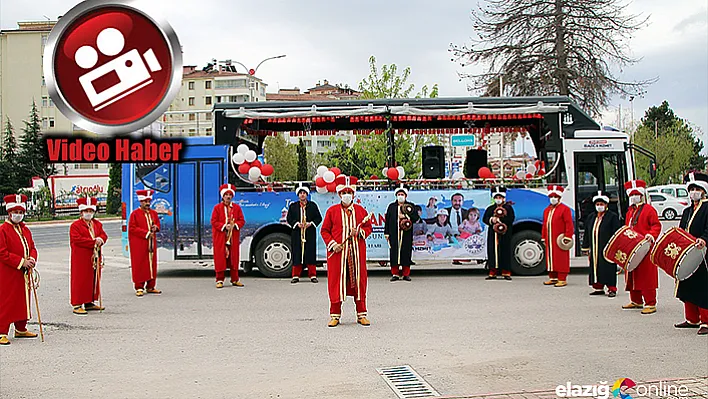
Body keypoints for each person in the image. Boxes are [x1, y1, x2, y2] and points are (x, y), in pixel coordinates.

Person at [321, 175, 373, 328]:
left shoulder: (360, 211)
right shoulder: (332, 211)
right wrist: (333, 244)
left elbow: (368, 227)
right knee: (336, 282)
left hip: (356, 253)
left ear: (353, 195)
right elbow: (324, 231)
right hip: (338, 254)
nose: (346, 195)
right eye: (344, 193)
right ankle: (335, 315)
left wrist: (359, 232)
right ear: (339, 195)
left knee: (359, 282)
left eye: (349, 192)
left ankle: (362, 314)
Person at [0, 194, 39, 345]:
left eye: (21, 212)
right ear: (9, 213)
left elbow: (32, 247)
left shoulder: (25, 230)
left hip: (23, 272)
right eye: (16, 212)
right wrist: (21, 262)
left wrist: (32, 259)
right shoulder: (3, 230)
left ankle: (21, 328)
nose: (19, 215)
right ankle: (2, 331)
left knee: (23, 299)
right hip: (9, 272)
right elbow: (2, 252)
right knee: (7, 301)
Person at [674, 172, 708, 335]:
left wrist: (704, 239)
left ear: (703, 190)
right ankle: (692, 318)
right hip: (688, 253)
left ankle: (706, 321)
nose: (694, 191)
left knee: (703, 287)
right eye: (691, 189)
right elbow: (682, 230)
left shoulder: (707, 207)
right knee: (687, 284)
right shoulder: (687, 210)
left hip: (703, 253)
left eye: (697, 188)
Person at [621, 180, 661, 314]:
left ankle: (650, 302)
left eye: (636, 194)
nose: (633, 197)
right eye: (631, 194)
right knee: (632, 273)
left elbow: (656, 225)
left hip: (645, 246)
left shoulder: (649, 210)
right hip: (632, 247)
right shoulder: (630, 211)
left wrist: (651, 235)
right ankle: (636, 300)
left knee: (646, 274)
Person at [69, 197, 108, 315]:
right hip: (81, 257)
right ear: (81, 212)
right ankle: (77, 304)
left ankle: (89, 301)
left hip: (95, 256)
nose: (88, 213)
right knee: (80, 279)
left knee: (93, 278)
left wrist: (101, 239)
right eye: (86, 211)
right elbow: (77, 239)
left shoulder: (96, 224)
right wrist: (93, 242)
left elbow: (103, 235)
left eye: (91, 211)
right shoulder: (75, 225)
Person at [581, 191, 621, 297]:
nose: (599, 206)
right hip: (594, 247)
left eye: (601, 204)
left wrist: (615, 246)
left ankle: (611, 288)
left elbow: (617, 232)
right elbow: (587, 232)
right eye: (597, 204)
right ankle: (598, 287)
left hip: (607, 247)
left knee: (608, 267)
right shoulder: (591, 217)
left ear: (606, 205)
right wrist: (585, 247)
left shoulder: (612, 217)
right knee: (595, 266)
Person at [211, 184, 246, 288]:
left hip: (233, 237)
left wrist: (234, 225)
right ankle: (219, 280)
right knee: (220, 257)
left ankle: (235, 279)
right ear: (223, 196)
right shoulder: (217, 208)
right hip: (221, 237)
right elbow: (214, 221)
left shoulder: (237, 208)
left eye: (230, 195)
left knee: (233, 258)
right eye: (226, 194)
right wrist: (223, 226)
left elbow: (242, 220)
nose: (228, 197)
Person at [128, 189, 162, 296]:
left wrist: (155, 227)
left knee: (152, 263)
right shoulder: (135, 214)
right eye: (145, 201)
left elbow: (157, 224)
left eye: (148, 201)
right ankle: (139, 286)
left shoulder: (153, 213)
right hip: (139, 243)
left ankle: (151, 286)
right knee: (140, 263)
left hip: (151, 243)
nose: (147, 204)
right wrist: (146, 233)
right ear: (140, 202)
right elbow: (132, 228)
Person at [287, 184, 323, 284]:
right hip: (297, 233)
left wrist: (310, 224)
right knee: (297, 253)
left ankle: (312, 275)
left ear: (307, 195)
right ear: (298, 195)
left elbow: (318, 218)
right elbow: (289, 218)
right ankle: (295, 275)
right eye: (300, 193)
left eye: (304, 193)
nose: (302, 195)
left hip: (309, 232)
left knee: (310, 253)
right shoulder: (293, 206)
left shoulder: (312, 205)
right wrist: (296, 224)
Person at [384, 185, 420, 282]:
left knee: (406, 252)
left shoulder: (410, 206)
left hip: (406, 234)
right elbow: (387, 220)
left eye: (402, 194)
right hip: (394, 233)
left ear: (405, 196)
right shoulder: (391, 207)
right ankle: (395, 273)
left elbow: (416, 218)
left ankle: (406, 274)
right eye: (399, 194)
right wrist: (386, 233)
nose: (400, 196)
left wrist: (405, 215)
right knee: (394, 253)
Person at [541, 185, 575, 287]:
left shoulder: (565, 209)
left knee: (561, 258)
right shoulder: (547, 210)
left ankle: (562, 278)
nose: (553, 199)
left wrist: (568, 236)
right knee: (550, 258)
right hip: (549, 238)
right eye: (551, 197)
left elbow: (569, 223)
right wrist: (543, 236)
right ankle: (553, 277)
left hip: (560, 239)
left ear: (559, 198)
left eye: (555, 197)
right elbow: (545, 224)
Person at [482, 186, 515, 280]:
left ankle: (506, 272)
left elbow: (511, 219)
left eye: (500, 198)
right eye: (496, 198)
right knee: (492, 251)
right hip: (493, 233)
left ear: (503, 198)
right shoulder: (490, 208)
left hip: (505, 233)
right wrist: (492, 220)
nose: (498, 199)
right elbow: (485, 219)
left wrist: (500, 220)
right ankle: (493, 271)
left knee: (505, 251)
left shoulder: (508, 208)